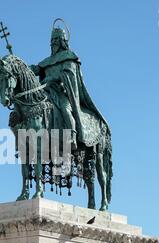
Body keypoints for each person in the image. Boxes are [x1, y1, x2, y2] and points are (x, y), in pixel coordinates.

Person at [30, 19, 110, 152]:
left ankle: (72, 135)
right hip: (47, 93)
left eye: (56, 40)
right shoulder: (46, 61)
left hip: (63, 92)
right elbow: (36, 69)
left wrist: (53, 78)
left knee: (65, 108)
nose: (53, 43)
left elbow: (69, 74)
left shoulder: (69, 56)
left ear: (62, 40)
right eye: (52, 40)